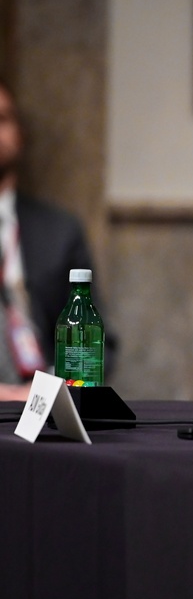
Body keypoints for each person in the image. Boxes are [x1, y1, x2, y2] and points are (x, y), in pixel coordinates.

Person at [0, 76, 100, 401]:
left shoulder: (60, 231)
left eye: (1, 119)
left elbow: (99, 337)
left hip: (48, 403)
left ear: (20, 134)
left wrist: (52, 389)